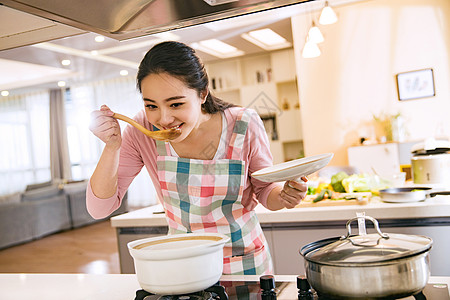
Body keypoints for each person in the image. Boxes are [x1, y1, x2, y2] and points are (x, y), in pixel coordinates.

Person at [87, 41, 307, 275]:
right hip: (185, 266)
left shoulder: (243, 124)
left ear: (202, 94)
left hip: (244, 264)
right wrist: (112, 147)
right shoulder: (142, 131)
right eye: (151, 106)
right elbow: (99, 209)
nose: (164, 119)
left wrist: (284, 196)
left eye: (176, 104)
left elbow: (265, 192)